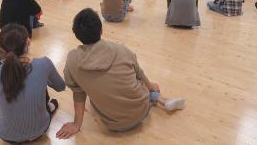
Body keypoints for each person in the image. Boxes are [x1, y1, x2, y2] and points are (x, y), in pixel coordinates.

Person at [56, 8, 185, 139]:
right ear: (101, 31)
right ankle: (159, 98)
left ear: (77, 35)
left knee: (92, 93)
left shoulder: (72, 61)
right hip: (141, 112)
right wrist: (150, 86)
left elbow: (78, 93)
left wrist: (77, 124)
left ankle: (156, 98)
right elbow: (139, 74)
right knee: (138, 82)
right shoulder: (121, 50)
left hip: (113, 124)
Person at [0, 24, 65, 143]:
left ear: (2, 49)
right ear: (28, 41)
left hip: (8, 136)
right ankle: (50, 107)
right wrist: (45, 78)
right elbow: (61, 87)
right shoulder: (44, 64)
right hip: (40, 130)